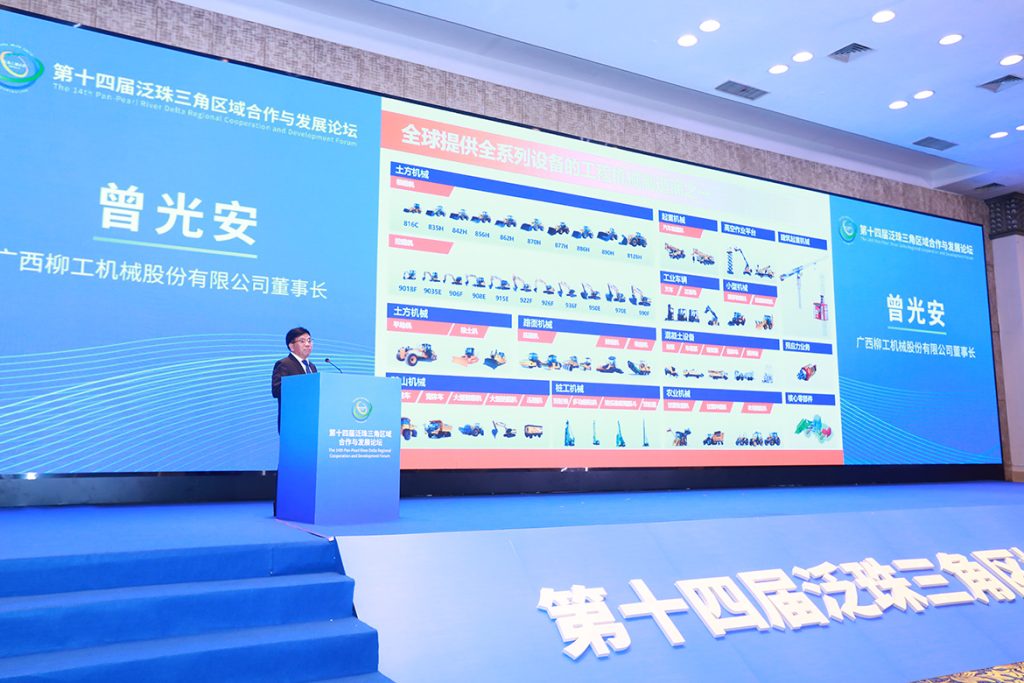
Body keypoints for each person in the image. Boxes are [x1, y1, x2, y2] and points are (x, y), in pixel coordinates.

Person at [271, 327, 317, 432]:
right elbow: (277, 391)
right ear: (291, 346)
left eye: (309, 340)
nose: (307, 344)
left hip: (311, 421)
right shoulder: (284, 364)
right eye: (302, 341)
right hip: (292, 422)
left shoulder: (312, 367)